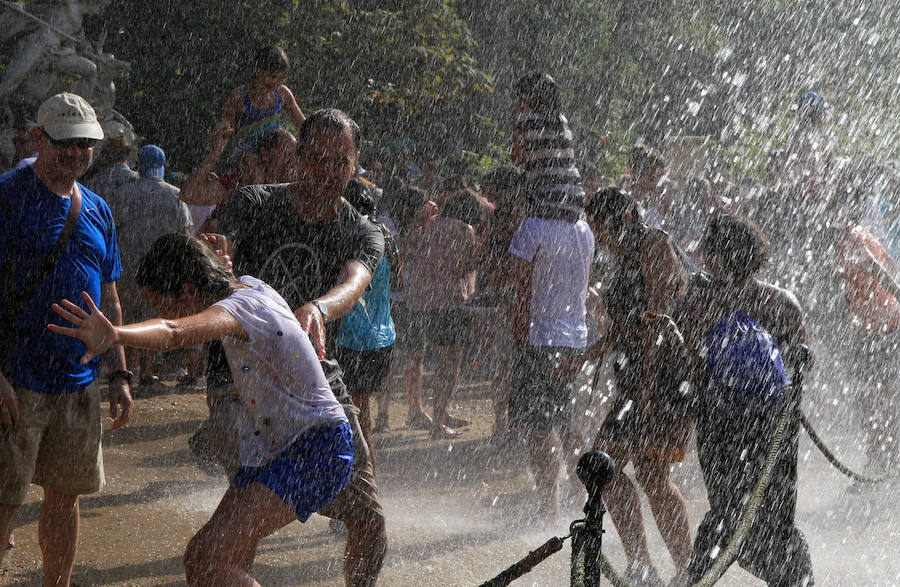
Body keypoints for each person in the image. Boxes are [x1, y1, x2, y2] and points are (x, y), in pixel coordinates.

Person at [48, 234, 353, 586]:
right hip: (283, 449)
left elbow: (173, 332)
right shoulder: (249, 286)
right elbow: (212, 284)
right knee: (207, 558)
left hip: (317, 449)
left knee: (207, 558)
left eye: (161, 303)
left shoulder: (242, 308)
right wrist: (211, 257)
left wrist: (116, 334)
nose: (162, 313)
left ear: (190, 291)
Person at [213, 108, 386, 586]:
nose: (326, 172)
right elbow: (218, 245)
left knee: (370, 521)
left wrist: (319, 308)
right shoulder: (254, 204)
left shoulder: (361, 229)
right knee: (244, 524)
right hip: (241, 380)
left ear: (355, 165)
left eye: (339, 162)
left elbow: (355, 281)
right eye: (316, 159)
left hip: (317, 382)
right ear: (297, 159)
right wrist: (216, 257)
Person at [0, 92, 131, 587]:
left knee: (65, 497)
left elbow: (110, 300)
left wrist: (120, 373)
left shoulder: (97, 208)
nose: (77, 153)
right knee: (4, 500)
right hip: (16, 381)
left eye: (86, 144)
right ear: (38, 138)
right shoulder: (8, 197)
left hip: (78, 382)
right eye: (66, 143)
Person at [671, 214, 814, 586]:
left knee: (729, 509)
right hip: (773, 427)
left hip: (722, 424)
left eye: (708, 250)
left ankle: (699, 575)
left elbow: (689, 361)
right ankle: (790, 575)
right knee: (773, 513)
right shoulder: (781, 301)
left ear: (720, 256)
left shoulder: (701, 303)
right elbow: (802, 362)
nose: (702, 256)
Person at [584, 187, 693, 586]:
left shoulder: (655, 245)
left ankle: (688, 571)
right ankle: (642, 566)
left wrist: (646, 389)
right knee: (603, 471)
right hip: (635, 383)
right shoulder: (624, 255)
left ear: (625, 219)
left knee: (652, 477)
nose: (600, 240)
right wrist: (590, 353)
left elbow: (658, 323)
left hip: (663, 383)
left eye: (601, 230)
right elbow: (627, 324)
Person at [505, 179, 594, 521]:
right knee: (570, 424)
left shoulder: (533, 226)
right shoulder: (584, 230)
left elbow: (518, 281)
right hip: (574, 339)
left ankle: (548, 507)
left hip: (538, 338)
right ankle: (582, 497)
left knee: (539, 428)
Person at [107, 144, 192, 391]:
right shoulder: (176, 195)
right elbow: (185, 235)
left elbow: (111, 229)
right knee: (154, 319)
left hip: (127, 266)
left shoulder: (123, 193)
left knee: (128, 319)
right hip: (161, 270)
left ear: (140, 166)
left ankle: (127, 370)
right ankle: (147, 375)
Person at [403, 188, 479, 439]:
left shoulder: (430, 224)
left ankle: (440, 415)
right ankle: (438, 423)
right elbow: (462, 265)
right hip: (448, 302)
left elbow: (411, 252)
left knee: (426, 358)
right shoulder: (464, 229)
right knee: (449, 364)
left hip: (420, 300)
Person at [335, 178, 397, 467]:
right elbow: (399, 281)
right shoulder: (385, 235)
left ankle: (366, 482)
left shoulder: (349, 239)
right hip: (383, 338)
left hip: (353, 340)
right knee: (358, 416)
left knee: (357, 422)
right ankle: (359, 480)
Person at [511, 71, 584, 217]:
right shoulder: (562, 121)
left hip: (545, 200)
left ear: (527, 98)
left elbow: (516, 159)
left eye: (518, 97)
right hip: (574, 198)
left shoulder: (525, 120)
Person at [218, 46, 306, 154]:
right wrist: (224, 129)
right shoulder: (239, 96)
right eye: (273, 77)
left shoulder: (283, 93)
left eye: (282, 78)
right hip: (247, 152)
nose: (277, 83)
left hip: (274, 152)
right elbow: (226, 123)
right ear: (258, 70)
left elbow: (303, 125)